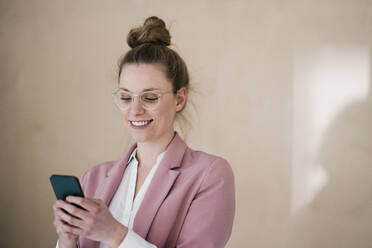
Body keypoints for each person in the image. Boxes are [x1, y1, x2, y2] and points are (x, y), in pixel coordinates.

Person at [53, 16, 235, 248]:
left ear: (179, 99)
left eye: (149, 97)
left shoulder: (209, 175)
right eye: (125, 97)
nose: (134, 110)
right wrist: (66, 239)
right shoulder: (94, 178)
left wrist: (115, 234)